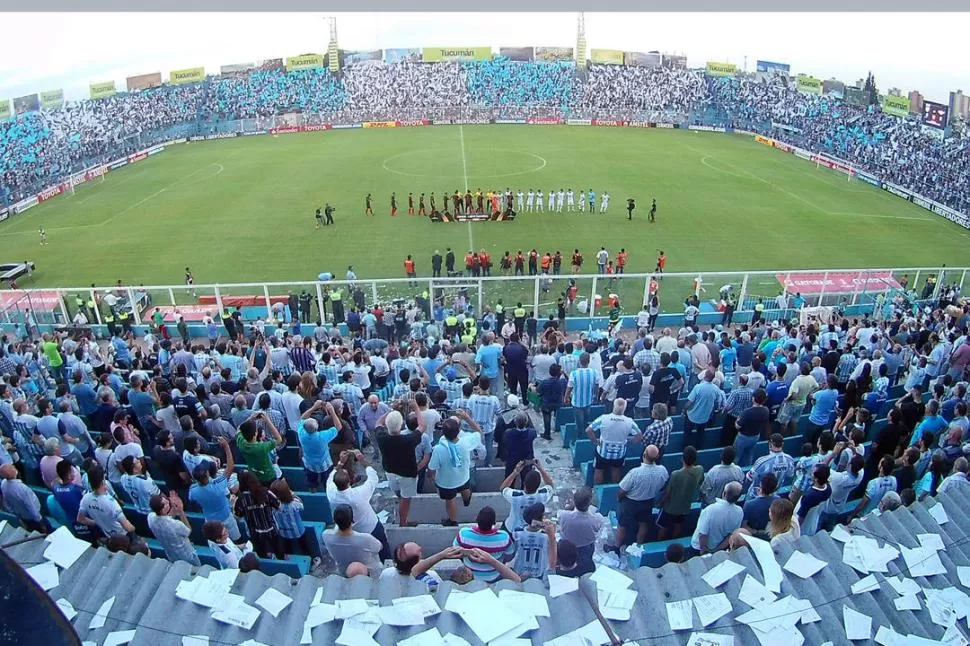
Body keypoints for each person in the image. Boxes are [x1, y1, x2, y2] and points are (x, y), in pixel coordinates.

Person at [326, 449, 390, 560]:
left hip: (347, 530)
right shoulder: (359, 494)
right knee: (383, 550)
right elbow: (373, 478)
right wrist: (362, 460)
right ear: (349, 482)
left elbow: (331, 477)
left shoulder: (331, 492)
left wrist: (340, 463)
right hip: (369, 527)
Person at [375, 407, 431, 527]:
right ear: (401, 426)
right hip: (407, 474)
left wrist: (390, 410)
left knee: (399, 493)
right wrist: (415, 406)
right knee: (406, 499)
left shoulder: (381, 438)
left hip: (390, 472)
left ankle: (401, 515)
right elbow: (422, 425)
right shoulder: (408, 440)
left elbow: (378, 423)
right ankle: (403, 522)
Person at [428, 414, 483, 526]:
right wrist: (467, 417)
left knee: (450, 500)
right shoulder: (466, 442)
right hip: (463, 477)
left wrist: (431, 477)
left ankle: (453, 521)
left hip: (446, 482)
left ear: (442, 433)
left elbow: (432, 468)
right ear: (458, 431)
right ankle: (467, 501)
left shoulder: (438, 449)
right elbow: (479, 432)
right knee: (465, 488)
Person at [189, 437, 241, 541]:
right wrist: (226, 446)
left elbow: (193, 501)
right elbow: (230, 467)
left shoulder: (192, 491)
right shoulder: (218, 485)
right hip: (226, 518)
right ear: (207, 474)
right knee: (236, 539)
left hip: (210, 520)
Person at [616, 445, 669, 546]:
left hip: (630, 502)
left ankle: (617, 546)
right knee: (643, 524)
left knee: (622, 524)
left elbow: (622, 490)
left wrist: (619, 498)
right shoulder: (663, 470)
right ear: (657, 456)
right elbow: (664, 485)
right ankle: (638, 545)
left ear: (644, 454)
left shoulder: (635, 472)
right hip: (648, 501)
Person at [586, 398, 642, 484]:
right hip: (619, 453)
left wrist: (595, 441)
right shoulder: (629, 422)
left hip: (603, 451)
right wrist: (629, 442)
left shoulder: (603, 418)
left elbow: (588, 430)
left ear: (613, 406)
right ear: (624, 408)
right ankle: (614, 487)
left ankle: (597, 488)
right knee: (616, 470)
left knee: (599, 469)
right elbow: (639, 436)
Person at [453, 506, 516, 583]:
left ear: (477, 519)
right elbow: (509, 557)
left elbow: (456, 551)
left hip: (469, 578)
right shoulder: (504, 537)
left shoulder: (463, 534)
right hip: (494, 576)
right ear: (494, 522)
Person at [233, 470, 285, 560]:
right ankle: (281, 560)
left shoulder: (240, 500)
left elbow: (237, 516)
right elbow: (279, 506)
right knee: (279, 550)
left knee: (261, 552)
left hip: (254, 532)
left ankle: (268, 558)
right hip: (272, 528)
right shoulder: (267, 493)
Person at [657, 445, 705, 540]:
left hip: (669, 508)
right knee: (678, 525)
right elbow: (700, 483)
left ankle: (660, 541)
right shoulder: (700, 470)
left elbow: (668, 492)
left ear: (682, 459)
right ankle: (674, 540)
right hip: (684, 506)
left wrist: (661, 503)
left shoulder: (675, 474)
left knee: (663, 528)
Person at [557, 487, 606, 577]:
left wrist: (571, 507)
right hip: (586, 547)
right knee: (585, 567)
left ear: (574, 501)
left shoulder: (564, 515)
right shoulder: (598, 519)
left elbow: (564, 518)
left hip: (566, 546)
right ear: (589, 503)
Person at [77, 465, 136, 540]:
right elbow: (128, 527)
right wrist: (134, 529)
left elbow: (80, 519)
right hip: (124, 536)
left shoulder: (85, 498)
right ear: (102, 481)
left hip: (109, 536)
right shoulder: (111, 502)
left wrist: (98, 522)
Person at [323, 503, 383, 576]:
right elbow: (379, 547)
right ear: (352, 520)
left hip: (343, 572)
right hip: (367, 573)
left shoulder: (326, 535)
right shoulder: (365, 538)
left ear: (334, 520)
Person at [296, 401, 341, 493]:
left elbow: (302, 418)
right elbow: (338, 426)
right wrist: (332, 411)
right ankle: (327, 490)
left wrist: (314, 407)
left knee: (311, 479)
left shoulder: (301, 433)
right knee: (327, 480)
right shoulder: (322, 437)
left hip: (309, 462)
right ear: (316, 428)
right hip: (324, 463)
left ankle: (313, 490)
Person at [690, 481, 743, 555]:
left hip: (699, 548)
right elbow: (730, 535)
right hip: (717, 548)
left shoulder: (710, 509)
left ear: (723, 493)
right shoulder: (739, 512)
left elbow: (703, 534)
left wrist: (703, 550)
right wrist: (716, 550)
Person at [148, 492, 200, 566]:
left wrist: (173, 508)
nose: (167, 502)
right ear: (162, 510)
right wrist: (181, 511)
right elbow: (188, 530)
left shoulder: (150, 517)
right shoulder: (175, 524)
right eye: (165, 504)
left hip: (171, 554)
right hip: (186, 554)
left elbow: (165, 517)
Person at [500, 460, 554, 532]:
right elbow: (550, 485)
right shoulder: (543, 495)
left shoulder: (515, 496)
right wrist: (541, 469)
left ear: (524, 483)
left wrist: (516, 472)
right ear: (538, 486)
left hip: (512, 528)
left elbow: (503, 488)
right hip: (534, 528)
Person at [512, 502, 557, 580]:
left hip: (519, 572)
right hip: (539, 572)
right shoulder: (546, 535)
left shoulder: (517, 532)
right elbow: (553, 556)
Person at [381, 543, 461, 586]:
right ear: (417, 561)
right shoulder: (431, 576)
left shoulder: (386, 574)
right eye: (419, 551)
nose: (420, 547)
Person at [236, 414, 283, 486]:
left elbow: (239, 428)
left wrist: (251, 418)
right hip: (268, 476)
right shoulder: (261, 447)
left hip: (254, 474)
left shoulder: (241, 442)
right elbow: (279, 439)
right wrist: (268, 421)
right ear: (255, 433)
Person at [1, 463, 49, 533]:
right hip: (34, 518)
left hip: (24, 517)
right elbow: (31, 506)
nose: (14, 468)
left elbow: (6, 503)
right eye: (12, 468)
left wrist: (16, 514)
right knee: (47, 532)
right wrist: (41, 522)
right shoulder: (22, 489)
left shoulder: (3, 484)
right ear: (11, 473)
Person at [740, 472, 778, 538]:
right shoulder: (778, 500)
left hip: (751, 535)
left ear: (760, 485)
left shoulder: (749, 504)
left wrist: (756, 532)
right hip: (769, 534)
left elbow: (743, 525)